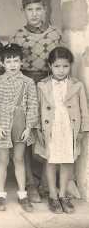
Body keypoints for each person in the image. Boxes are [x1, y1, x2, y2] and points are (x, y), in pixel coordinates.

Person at [10, 0, 63, 201]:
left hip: (48, 87)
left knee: (47, 131)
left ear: (44, 10)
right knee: (27, 134)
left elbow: (60, 64)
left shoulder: (55, 34)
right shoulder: (18, 36)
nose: (34, 14)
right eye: (30, 9)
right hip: (25, 87)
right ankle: (30, 183)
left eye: (38, 9)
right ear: (23, 11)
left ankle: (45, 181)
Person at [0, 43, 39, 212]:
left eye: (16, 61)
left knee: (19, 159)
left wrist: (29, 127)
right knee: (2, 160)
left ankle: (23, 195)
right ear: (2, 63)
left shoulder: (28, 82)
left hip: (21, 125)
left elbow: (33, 106)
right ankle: (1, 195)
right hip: (2, 126)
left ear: (21, 62)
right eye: (8, 62)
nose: (13, 65)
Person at [35, 47, 88, 214]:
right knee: (51, 160)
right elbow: (37, 108)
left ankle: (63, 194)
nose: (61, 70)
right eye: (57, 66)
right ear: (50, 66)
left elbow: (84, 110)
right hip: (51, 128)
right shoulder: (42, 85)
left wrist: (82, 130)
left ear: (70, 66)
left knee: (67, 161)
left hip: (69, 128)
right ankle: (52, 195)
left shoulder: (77, 85)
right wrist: (38, 128)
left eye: (65, 66)